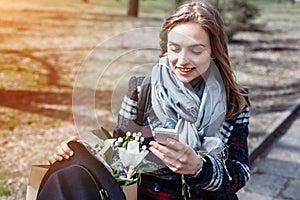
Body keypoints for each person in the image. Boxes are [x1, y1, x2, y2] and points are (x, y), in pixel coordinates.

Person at [54, 1, 250, 199]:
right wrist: (80, 152)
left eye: (196, 50)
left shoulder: (233, 101)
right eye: (175, 48)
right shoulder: (141, 91)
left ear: (214, 51)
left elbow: (240, 172)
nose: (182, 60)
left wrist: (200, 168)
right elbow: (119, 154)